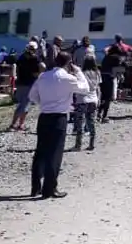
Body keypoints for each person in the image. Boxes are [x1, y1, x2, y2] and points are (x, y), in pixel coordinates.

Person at [28, 51, 90, 199]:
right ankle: (49, 189)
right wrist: (79, 72)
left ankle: (35, 187)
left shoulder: (43, 76)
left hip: (44, 116)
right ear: (69, 63)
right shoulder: (67, 78)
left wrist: (43, 104)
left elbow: (32, 96)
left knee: (41, 152)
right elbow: (85, 88)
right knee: (54, 154)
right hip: (59, 117)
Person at [9, 41, 43, 131]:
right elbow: (39, 69)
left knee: (23, 104)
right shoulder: (34, 59)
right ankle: (14, 124)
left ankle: (21, 124)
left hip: (20, 82)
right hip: (29, 83)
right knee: (24, 105)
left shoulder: (21, 57)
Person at [73, 56, 101, 151]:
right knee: (91, 122)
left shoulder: (82, 74)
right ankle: (91, 144)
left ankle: (78, 145)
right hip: (93, 100)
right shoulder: (97, 73)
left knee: (80, 123)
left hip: (82, 100)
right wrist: (98, 99)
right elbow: (98, 88)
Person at [98, 46, 121, 123]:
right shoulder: (117, 58)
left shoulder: (106, 57)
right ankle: (104, 116)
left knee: (103, 97)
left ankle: (98, 114)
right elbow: (117, 69)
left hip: (102, 77)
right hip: (109, 78)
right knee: (108, 98)